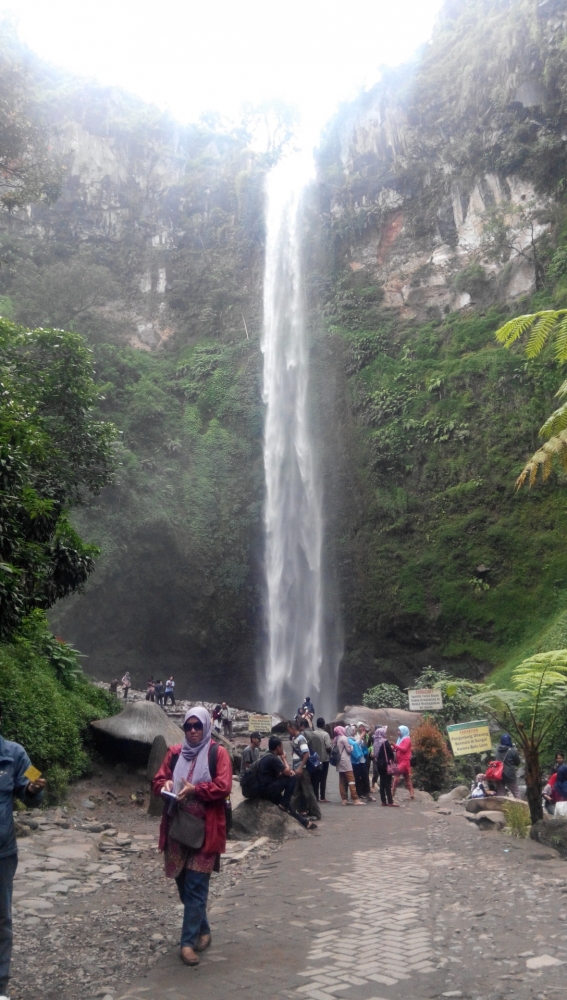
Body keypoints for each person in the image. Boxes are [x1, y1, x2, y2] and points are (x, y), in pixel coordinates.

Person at [152, 707, 232, 967]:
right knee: (183, 884)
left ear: (207, 726)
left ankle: (187, 944)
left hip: (206, 830)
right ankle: (204, 929)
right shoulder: (175, 753)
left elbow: (224, 786)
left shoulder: (217, 754)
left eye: (198, 726)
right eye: (189, 726)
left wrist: (196, 789)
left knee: (196, 886)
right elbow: (158, 780)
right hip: (177, 828)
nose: (194, 731)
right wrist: (164, 786)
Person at [0, 702, 46, 999]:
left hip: (2, 853)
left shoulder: (15, 754)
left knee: (1, 919)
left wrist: (34, 789)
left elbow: (35, 782)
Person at [256, 736, 316, 829]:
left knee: (288, 807)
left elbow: (280, 773)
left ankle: (305, 823)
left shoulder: (266, 755)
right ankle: (284, 804)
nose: (283, 749)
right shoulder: (273, 758)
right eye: (282, 746)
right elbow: (287, 772)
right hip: (267, 790)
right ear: (278, 747)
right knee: (292, 777)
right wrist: (284, 758)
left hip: (264, 789)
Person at [286, 720, 322, 821]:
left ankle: (316, 813)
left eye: (288, 729)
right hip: (298, 769)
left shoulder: (301, 739)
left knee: (308, 792)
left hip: (302, 770)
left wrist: (301, 767)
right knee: (296, 792)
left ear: (293, 728)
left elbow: (306, 753)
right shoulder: (296, 738)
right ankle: (290, 812)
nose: (288, 731)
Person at [333, 726, 363, 806]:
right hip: (345, 761)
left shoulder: (336, 739)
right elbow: (349, 750)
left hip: (339, 762)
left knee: (342, 780)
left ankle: (344, 799)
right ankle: (355, 799)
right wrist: (352, 747)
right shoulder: (343, 738)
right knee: (351, 779)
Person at [300, 719, 324, 802]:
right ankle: (316, 799)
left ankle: (310, 804)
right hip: (317, 762)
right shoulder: (316, 735)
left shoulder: (303, 735)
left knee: (307, 785)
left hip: (308, 763)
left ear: (302, 726)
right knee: (315, 783)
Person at [373, 725, 397, 807]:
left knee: (382, 782)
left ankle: (383, 801)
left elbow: (375, 754)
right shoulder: (385, 742)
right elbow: (390, 753)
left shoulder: (375, 742)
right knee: (387, 782)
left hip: (378, 764)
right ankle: (390, 801)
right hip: (386, 764)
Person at [493, 734, 521, 798]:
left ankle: (502, 807)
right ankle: (520, 806)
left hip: (498, 774)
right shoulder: (512, 751)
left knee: (501, 792)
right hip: (509, 774)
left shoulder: (497, 750)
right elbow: (517, 763)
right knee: (515, 791)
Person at [392, 725, 414, 801]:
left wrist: (395, 746)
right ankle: (411, 793)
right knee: (407, 778)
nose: (398, 732)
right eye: (398, 730)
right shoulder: (399, 739)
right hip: (400, 761)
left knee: (397, 775)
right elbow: (396, 748)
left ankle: (392, 791)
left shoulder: (407, 739)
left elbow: (404, 749)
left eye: (399, 731)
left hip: (404, 761)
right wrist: (392, 748)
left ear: (403, 731)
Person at [313, 718, 332, 802]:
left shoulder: (313, 734)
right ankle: (323, 797)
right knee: (323, 778)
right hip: (324, 759)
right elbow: (328, 746)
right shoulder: (325, 734)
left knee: (315, 778)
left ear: (316, 724)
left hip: (315, 759)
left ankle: (316, 797)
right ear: (324, 725)